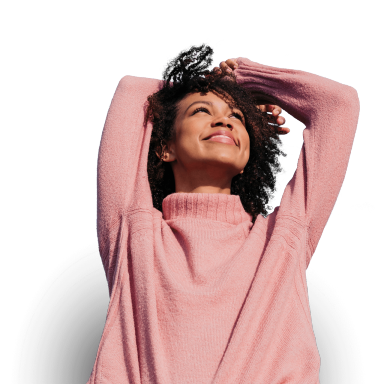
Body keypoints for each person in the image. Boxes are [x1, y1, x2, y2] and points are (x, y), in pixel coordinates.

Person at [87, 41, 360, 384]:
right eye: (202, 111)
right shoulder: (134, 232)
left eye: (238, 117)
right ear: (165, 146)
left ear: (251, 147)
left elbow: (339, 105)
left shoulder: (281, 241)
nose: (224, 120)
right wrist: (203, 83)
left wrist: (249, 78)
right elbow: (132, 90)